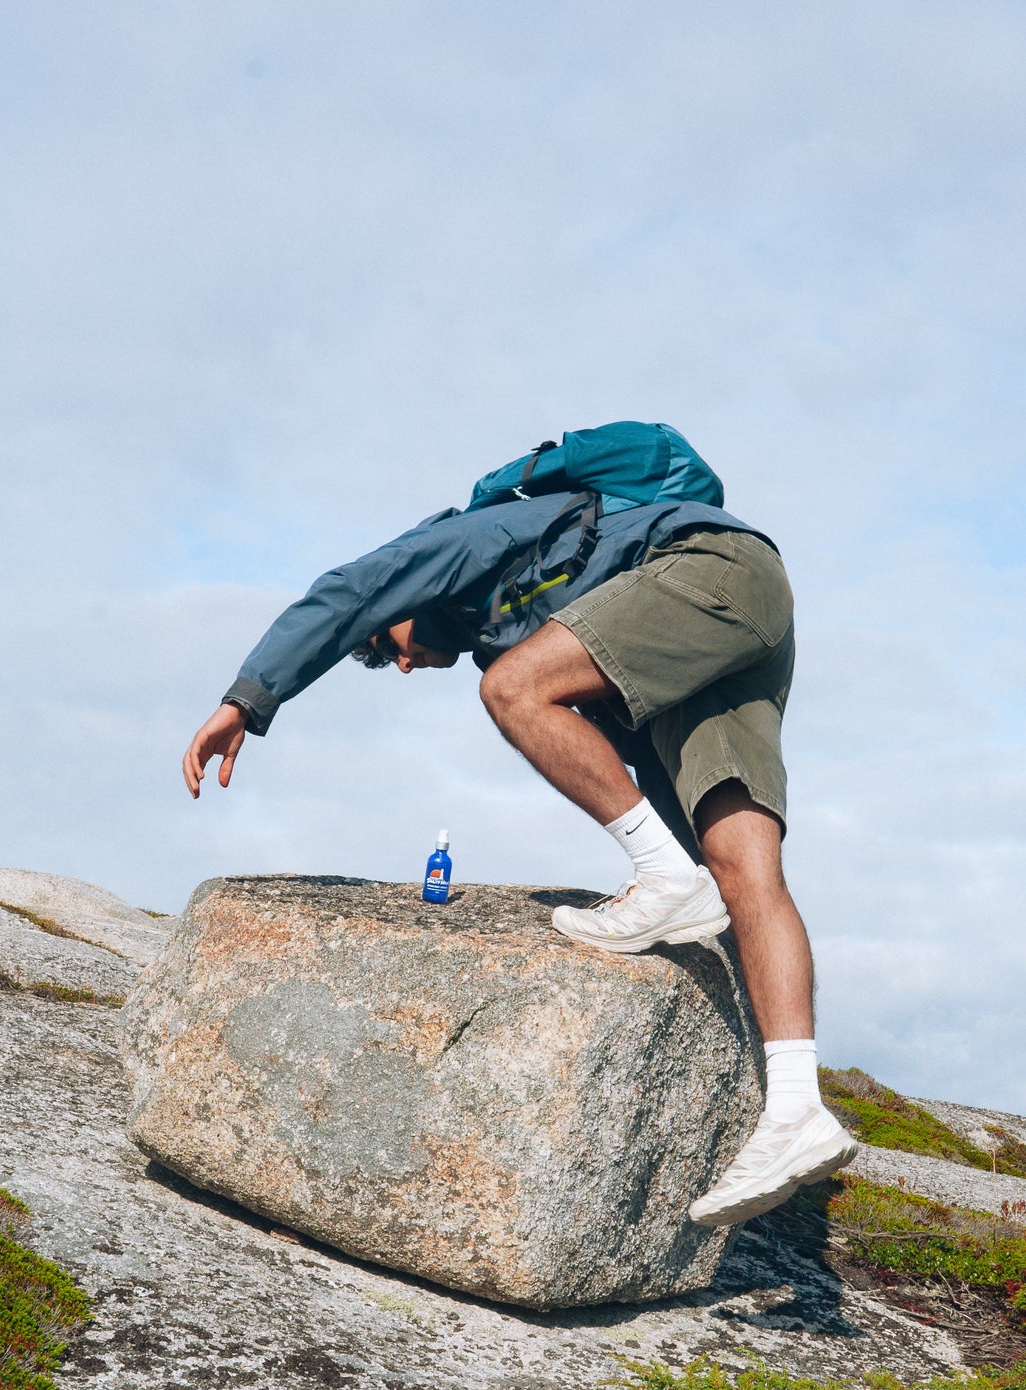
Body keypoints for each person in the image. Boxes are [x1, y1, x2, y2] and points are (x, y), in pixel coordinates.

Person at [181, 423, 856, 1226]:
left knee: (511, 689)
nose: (397, 660)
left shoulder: (475, 536)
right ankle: (795, 1109)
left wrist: (248, 699)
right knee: (742, 870)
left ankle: (662, 876)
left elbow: (353, 586)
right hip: (750, 605)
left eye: (384, 644)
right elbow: (634, 751)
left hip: (705, 570)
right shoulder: (528, 624)